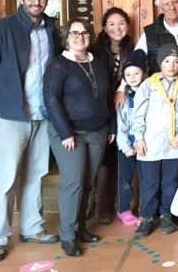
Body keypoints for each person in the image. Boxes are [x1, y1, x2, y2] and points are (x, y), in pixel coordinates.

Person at [0, 0, 61, 263]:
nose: (36, 2)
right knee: (5, 180)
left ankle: (32, 228)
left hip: (42, 115)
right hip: (9, 116)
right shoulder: (1, 29)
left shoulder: (52, 29)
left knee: (36, 175)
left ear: (47, 0)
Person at [43, 18, 115, 257]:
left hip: (97, 131)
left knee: (87, 182)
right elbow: (51, 100)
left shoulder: (98, 63)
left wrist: (112, 127)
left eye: (84, 32)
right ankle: (68, 235)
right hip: (69, 134)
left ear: (90, 36)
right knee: (73, 182)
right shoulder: (58, 65)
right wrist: (65, 132)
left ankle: (81, 227)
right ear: (66, 38)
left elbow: (107, 97)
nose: (79, 36)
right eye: (74, 33)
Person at [130, 44, 178, 238]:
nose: (171, 65)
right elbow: (138, 114)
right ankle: (147, 217)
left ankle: (167, 214)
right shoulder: (148, 85)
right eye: (167, 61)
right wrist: (139, 138)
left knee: (170, 182)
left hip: (175, 144)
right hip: (150, 143)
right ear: (160, 63)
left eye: (176, 61)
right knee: (149, 183)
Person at [89, 7, 134, 224]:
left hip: (126, 109)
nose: (117, 28)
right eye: (112, 24)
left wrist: (123, 91)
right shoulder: (95, 50)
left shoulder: (134, 48)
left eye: (121, 23)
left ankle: (124, 205)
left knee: (125, 154)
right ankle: (101, 208)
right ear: (105, 28)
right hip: (101, 108)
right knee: (103, 157)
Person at [115, 50, 147, 226]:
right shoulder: (124, 99)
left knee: (146, 179)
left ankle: (146, 210)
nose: (132, 77)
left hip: (147, 145)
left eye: (136, 73)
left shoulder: (150, 94)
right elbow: (121, 125)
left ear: (144, 73)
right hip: (127, 145)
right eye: (128, 74)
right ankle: (124, 209)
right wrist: (126, 147)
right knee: (125, 180)